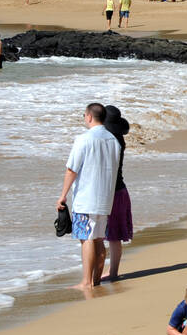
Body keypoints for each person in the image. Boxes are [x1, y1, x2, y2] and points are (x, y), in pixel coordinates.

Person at [57, 103, 122, 290]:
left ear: (89, 117)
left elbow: (71, 170)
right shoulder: (113, 140)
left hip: (87, 197)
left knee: (86, 238)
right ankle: (96, 279)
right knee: (99, 239)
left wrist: (62, 196)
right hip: (105, 197)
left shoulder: (84, 139)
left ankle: (86, 282)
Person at [102, 105, 133, 282]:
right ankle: (112, 270)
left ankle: (112, 272)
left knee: (109, 236)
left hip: (112, 193)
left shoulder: (110, 142)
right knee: (114, 236)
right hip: (120, 191)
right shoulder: (119, 140)